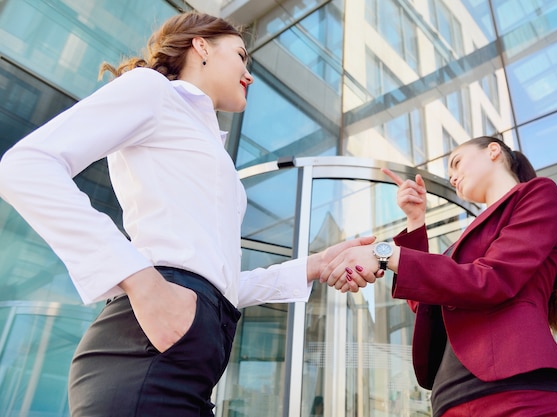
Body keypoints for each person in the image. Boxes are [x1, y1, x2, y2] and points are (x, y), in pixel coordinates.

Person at [0, 11, 372, 417]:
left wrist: (316, 265)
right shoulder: (154, 91)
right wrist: (143, 283)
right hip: (146, 359)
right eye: (241, 55)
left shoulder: (202, 137)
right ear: (201, 46)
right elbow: (25, 167)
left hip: (190, 361)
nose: (249, 73)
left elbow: (215, 280)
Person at [321, 136, 557, 417]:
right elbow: (424, 304)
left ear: (493, 151)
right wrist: (415, 221)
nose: (453, 177)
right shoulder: (459, 245)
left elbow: (492, 279)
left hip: (519, 394)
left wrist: (387, 254)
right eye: (450, 174)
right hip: (451, 399)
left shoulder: (537, 194)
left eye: (457, 163)